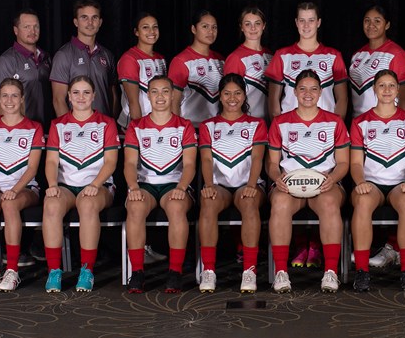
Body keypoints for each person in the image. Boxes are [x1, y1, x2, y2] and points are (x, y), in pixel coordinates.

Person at [267, 70, 350, 293]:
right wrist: (277, 178)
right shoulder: (280, 122)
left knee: (330, 205)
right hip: (289, 185)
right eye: (302, 88)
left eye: (313, 89)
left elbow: (343, 163)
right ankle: (281, 272)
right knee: (280, 204)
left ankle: (331, 272)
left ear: (321, 92)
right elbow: (272, 164)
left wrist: (332, 179)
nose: (308, 93)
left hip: (324, 185)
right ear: (294, 92)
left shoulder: (334, 122)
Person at [42, 76, 120, 293]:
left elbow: (111, 162)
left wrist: (95, 184)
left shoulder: (106, 123)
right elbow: (51, 160)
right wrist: (52, 184)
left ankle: (87, 270)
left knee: (87, 204)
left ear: (94, 96)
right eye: (75, 92)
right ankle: (54, 270)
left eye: (86, 92)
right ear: (68, 96)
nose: (81, 97)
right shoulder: (58, 125)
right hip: (67, 185)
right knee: (51, 204)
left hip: (99, 185)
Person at [350, 70, 405, 292]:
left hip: (401, 183)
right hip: (371, 183)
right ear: (374, 89)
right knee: (362, 203)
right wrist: (360, 181)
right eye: (382, 86)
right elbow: (355, 163)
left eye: (392, 86)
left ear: (398, 90)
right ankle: (362, 271)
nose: (387, 90)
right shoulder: (361, 122)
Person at [123, 76, 197, 293]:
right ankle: (137, 272)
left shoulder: (184, 126)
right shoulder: (136, 126)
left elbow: (190, 164)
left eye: (165, 91)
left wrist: (182, 188)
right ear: (148, 95)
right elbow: (129, 163)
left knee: (176, 207)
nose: (160, 96)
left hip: (174, 183)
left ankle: (175, 272)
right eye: (155, 92)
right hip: (145, 184)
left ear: (173, 94)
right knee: (135, 207)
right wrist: (133, 187)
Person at [198, 74, 268, 293]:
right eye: (227, 93)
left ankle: (249, 269)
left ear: (245, 95)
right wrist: (209, 184)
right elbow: (207, 159)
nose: (232, 98)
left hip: (248, 183)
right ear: (220, 96)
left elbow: (257, 158)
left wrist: (251, 185)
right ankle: (208, 270)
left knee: (249, 203)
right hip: (220, 184)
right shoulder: (208, 126)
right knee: (208, 203)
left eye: (237, 93)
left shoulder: (256, 124)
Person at [0, 78, 45, 292]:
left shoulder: (34, 127)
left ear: (22, 98)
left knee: (9, 204)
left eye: (14, 95)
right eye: (4, 95)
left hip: (25, 188)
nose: (9, 100)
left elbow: (32, 168)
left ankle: (12, 270)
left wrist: (14, 190)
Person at [265, 2, 348, 119]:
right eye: (302, 20)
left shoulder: (333, 56)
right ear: (296, 23)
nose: (306, 25)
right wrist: (279, 127)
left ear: (318, 23)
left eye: (311, 20)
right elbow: (273, 100)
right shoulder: (282, 55)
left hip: (324, 127)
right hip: (290, 129)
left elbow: (342, 99)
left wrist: (335, 126)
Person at [50, 0, 117, 118]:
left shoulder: (107, 55)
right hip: (75, 129)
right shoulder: (64, 55)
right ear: (76, 22)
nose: (90, 22)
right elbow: (58, 99)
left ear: (100, 22)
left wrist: (111, 124)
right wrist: (70, 129)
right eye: (84, 17)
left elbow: (113, 95)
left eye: (94, 17)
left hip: (103, 127)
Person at [349, 6, 405, 117]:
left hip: (387, 123)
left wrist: (404, 125)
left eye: (377, 21)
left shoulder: (397, 54)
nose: (371, 25)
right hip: (359, 124)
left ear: (387, 25)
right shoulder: (356, 55)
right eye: (367, 21)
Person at [0, 9, 52, 127]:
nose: (32, 31)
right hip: (21, 131)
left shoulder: (46, 57)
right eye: (27, 27)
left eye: (36, 27)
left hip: (46, 128)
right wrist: (11, 131)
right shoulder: (6, 61)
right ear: (16, 30)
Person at [168, 10, 225, 127]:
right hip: (192, 127)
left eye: (214, 27)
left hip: (218, 127)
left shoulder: (221, 60)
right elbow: (174, 101)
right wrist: (178, 129)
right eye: (205, 26)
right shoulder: (181, 60)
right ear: (194, 29)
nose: (211, 31)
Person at [117, 12, 167, 130]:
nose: (151, 31)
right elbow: (133, 101)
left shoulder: (161, 59)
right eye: (145, 27)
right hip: (135, 126)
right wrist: (140, 130)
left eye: (155, 27)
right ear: (136, 32)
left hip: (157, 124)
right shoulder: (130, 58)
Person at [223, 7, 273, 120]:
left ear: (263, 26)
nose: (253, 28)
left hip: (269, 121)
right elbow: (228, 97)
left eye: (257, 23)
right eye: (247, 24)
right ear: (241, 27)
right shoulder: (236, 58)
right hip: (247, 123)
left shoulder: (270, 55)